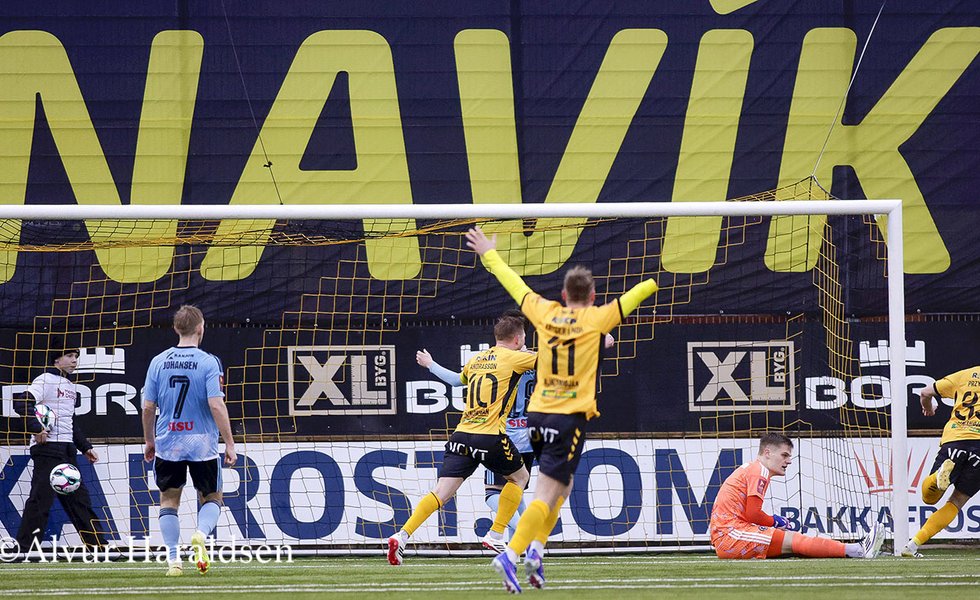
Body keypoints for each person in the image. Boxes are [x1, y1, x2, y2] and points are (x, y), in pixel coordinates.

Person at [465, 226, 657, 594]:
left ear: (564, 295)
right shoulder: (598, 318)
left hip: (537, 416)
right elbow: (636, 294)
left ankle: (536, 551)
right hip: (568, 419)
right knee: (545, 494)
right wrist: (655, 280)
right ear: (593, 296)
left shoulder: (545, 312)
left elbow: (514, 284)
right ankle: (511, 553)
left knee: (562, 486)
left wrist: (489, 253)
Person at [387, 315, 537, 565]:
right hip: (490, 436)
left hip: (461, 436)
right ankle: (496, 534)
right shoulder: (517, 357)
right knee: (520, 478)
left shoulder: (477, 359)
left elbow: (457, 381)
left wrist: (431, 365)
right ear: (517, 339)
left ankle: (401, 535)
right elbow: (556, 359)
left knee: (440, 493)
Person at [142, 305, 236, 576]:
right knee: (212, 498)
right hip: (202, 443)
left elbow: (148, 407)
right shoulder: (209, 362)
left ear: (175, 328)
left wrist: (149, 440)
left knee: (168, 501)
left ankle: (174, 561)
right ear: (200, 328)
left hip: (169, 441)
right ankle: (200, 534)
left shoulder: (158, 361)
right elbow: (216, 405)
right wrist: (229, 443)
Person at [710, 433, 885, 560]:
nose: (789, 461)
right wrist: (775, 521)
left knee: (793, 542)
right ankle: (857, 549)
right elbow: (753, 514)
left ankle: (854, 549)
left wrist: (775, 522)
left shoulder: (752, 468)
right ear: (767, 453)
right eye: (784, 455)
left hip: (730, 535)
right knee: (796, 540)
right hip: (731, 535)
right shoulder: (759, 471)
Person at [13, 340, 109, 556]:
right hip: (48, 449)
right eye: (69, 356)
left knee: (79, 501)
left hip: (67, 450)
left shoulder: (69, 385)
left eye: (76, 356)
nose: (74, 360)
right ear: (57, 359)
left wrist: (85, 447)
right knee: (40, 501)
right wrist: (36, 428)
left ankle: (99, 549)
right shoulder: (45, 380)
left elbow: (69, 421)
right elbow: (21, 403)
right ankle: (24, 551)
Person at [902, 368, 980, 557]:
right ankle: (913, 545)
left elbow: (925, 392)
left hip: (956, 439)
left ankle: (938, 476)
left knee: (929, 498)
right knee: (957, 501)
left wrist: (928, 407)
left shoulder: (964, 375)